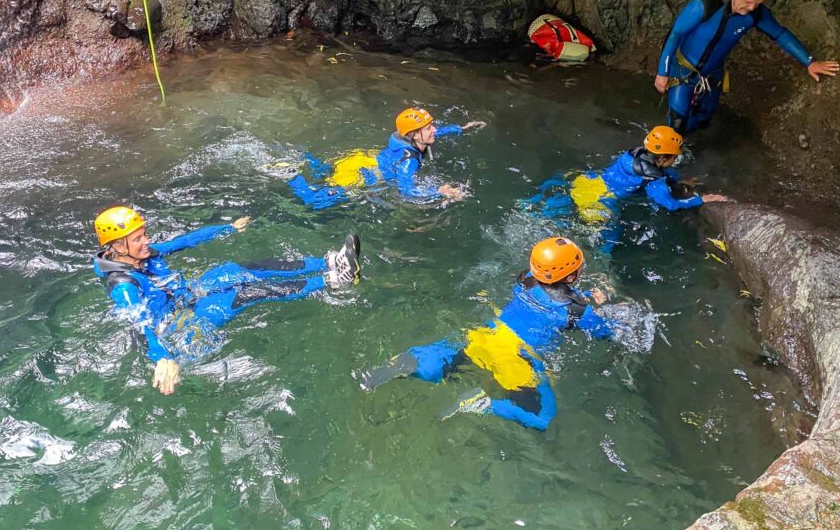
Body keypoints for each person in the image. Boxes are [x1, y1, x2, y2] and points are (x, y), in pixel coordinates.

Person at [92, 206, 360, 395]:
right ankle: (335, 279)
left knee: (236, 270)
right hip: (179, 324)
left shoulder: (142, 255)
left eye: (144, 234)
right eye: (138, 238)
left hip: (187, 296)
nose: (147, 241)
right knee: (245, 294)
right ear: (117, 247)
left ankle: (328, 261)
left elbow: (184, 242)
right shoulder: (123, 286)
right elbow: (140, 325)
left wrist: (226, 228)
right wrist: (163, 358)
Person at [359, 237, 614, 431]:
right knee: (541, 418)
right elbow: (605, 332)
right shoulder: (578, 310)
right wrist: (597, 303)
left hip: (487, 335)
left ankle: (401, 365)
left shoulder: (526, 279)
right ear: (571, 275)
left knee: (447, 358)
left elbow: (547, 294)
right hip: (518, 358)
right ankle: (484, 404)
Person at [654, 0, 839, 134]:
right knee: (677, 124)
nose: (751, 8)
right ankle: (668, 155)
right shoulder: (705, 5)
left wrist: (809, 62)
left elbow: (780, 34)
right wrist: (663, 72)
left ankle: (685, 146)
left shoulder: (755, 14)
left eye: (757, 4)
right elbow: (676, 33)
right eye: (749, 1)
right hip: (683, 70)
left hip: (712, 75)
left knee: (703, 118)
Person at [524, 126, 728, 252]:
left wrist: (676, 179)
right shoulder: (654, 180)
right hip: (598, 201)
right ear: (664, 158)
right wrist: (701, 199)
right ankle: (603, 268)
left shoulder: (631, 155)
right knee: (609, 238)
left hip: (585, 182)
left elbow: (660, 173)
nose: (677, 159)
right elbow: (670, 204)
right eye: (675, 157)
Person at [285, 108, 486, 209]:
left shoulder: (408, 137)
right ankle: (290, 175)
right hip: (362, 173)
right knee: (314, 201)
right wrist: (440, 192)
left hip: (360, 159)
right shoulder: (409, 160)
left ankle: (304, 159)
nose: (434, 130)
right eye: (428, 128)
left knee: (324, 171)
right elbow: (407, 191)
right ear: (415, 135)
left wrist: (461, 129)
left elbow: (438, 132)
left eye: (432, 125)